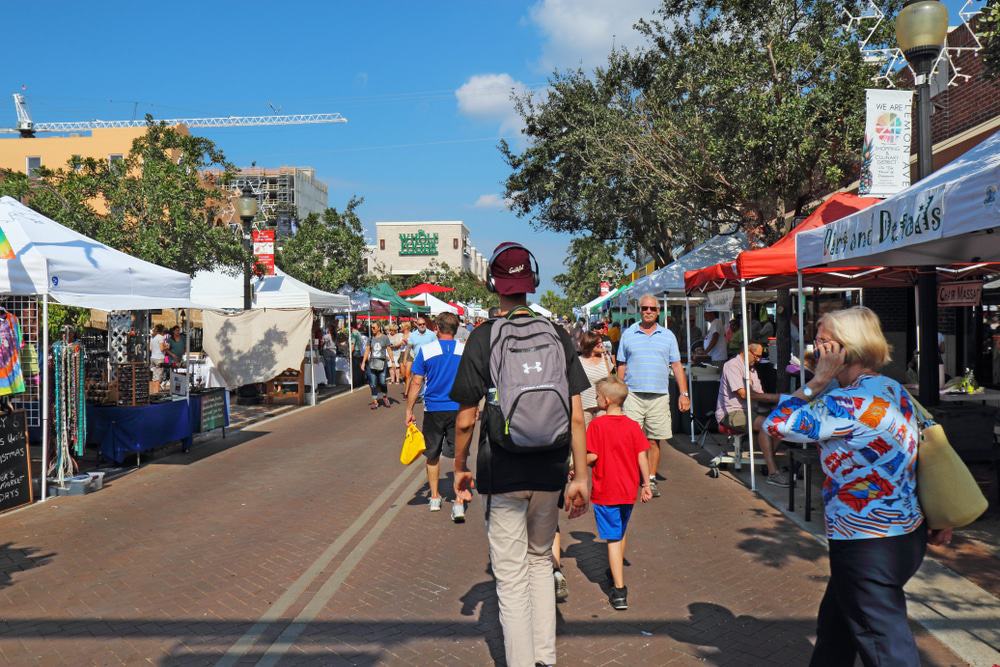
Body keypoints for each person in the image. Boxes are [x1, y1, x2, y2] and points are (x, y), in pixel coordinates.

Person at [762, 307, 953, 667]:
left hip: (866, 542)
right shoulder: (892, 388)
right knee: (837, 626)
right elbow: (925, 450)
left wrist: (817, 381)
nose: (814, 349)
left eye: (822, 342)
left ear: (844, 349)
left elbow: (776, 425)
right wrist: (940, 514)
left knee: (884, 644)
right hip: (903, 532)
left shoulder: (844, 403)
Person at [451, 241, 590, 667]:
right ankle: (545, 658)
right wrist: (581, 476)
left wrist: (459, 467)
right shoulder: (557, 335)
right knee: (540, 564)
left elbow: (465, 420)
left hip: (502, 471)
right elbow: (577, 414)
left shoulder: (483, 337)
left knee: (510, 579)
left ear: (493, 285)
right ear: (533, 282)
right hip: (550, 469)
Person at [586, 376, 653, 610]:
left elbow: (592, 456)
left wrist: (575, 464)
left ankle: (619, 590)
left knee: (613, 538)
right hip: (628, 488)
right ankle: (614, 572)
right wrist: (646, 484)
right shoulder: (633, 425)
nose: (596, 399)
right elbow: (642, 456)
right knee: (621, 530)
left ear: (605, 400)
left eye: (597, 396)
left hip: (606, 489)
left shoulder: (597, 425)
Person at [616, 294, 691, 497]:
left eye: (652, 308)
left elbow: (677, 366)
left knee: (654, 440)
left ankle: (650, 479)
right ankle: (632, 477)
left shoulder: (668, 336)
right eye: (644, 308)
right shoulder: (628, 334)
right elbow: (621, 365)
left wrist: (684, 394)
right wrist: (617, 395)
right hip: (632, 395)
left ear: (658, 312)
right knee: (630, 440)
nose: (648, 311)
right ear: (639, 310)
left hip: (659, 396)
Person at [406, 312, 466, 521]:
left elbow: (417, 381)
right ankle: (459, 503)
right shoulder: (464, 350)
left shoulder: (427, 350)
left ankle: (434, 497)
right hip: (458, 409)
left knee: (432, 454)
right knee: (460, 456)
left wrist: (409, 409)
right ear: (456, 329)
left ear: (437, 328)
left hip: (433, 409)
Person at [715, 342, 788, 486]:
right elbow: (744, 394)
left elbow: (759, 394)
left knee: (782, 424)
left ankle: (768, 460)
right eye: (757, 356)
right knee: (767, 424)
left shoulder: (752, 370)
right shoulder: (732, 365)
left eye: (761, 356)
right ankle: (772, 472)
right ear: (747, 351)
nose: (759, 359)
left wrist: (777, 404)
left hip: (750, 410)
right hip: (731, 412)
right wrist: (775, 398)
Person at [578, 331, 614, 427]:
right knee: (586, 433)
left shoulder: (605, 358)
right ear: (590, 344)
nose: (602, 345)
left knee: (603, 431)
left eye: (601, 342)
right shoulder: (579, 361)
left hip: (603, 403)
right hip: (585, 405)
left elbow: (609, 378)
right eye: (598, 343)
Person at [361, 322, 391, 409]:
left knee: (382, 382)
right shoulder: (370, 338)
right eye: (371, 327)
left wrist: (392, 361)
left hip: (382, 363)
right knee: (373, 383)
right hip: (372, 363)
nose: (372, 329)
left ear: (379, 328)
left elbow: (389, 349)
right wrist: (363, 362)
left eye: (374, 327)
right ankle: (375, 401)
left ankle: (384, 396)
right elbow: (367, 350)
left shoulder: (385, 337)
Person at [405, 316, 437, 398]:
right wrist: (405, 359)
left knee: (428, 379)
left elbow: (436, 347)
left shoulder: (432, 334)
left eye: (423, 324)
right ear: (416, 325)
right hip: (417, 361)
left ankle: (425, 395)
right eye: (420, 324)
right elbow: (408, 347)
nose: (422, 325)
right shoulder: (412, 335)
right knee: (418, 379)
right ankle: (421, 394)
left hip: (430, 360)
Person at [149, 324, 167, 390]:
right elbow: (162, 349)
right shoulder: (161, 337)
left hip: (153, 357)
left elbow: (150, 349)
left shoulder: (152, 337)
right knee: (159, 376)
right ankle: (156, 391)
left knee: (154, 376)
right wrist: (167, 347)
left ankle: (154, 390)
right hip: (159, 358)